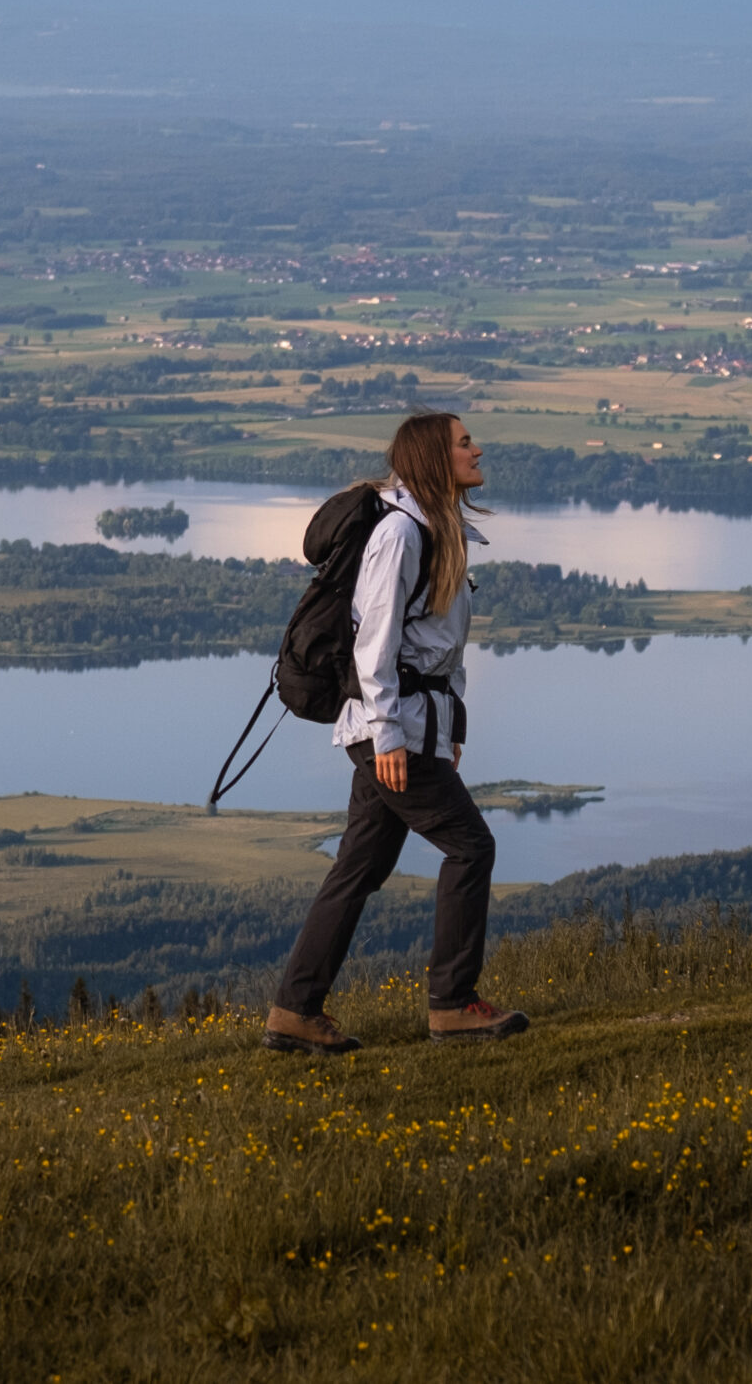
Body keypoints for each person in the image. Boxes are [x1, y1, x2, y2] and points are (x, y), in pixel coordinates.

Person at [263, 412, 529, 1054]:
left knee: (359, 867)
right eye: (465, 443)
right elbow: (375, 644)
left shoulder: (435, 528)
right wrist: (386, 736)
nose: (477, 450)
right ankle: (453, 1004)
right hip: (393, 730)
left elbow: (441, 646)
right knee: (471, 847)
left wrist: (452, 723)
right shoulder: (402, 534)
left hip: (409, 725)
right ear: (436, 457)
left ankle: (295, 1010)